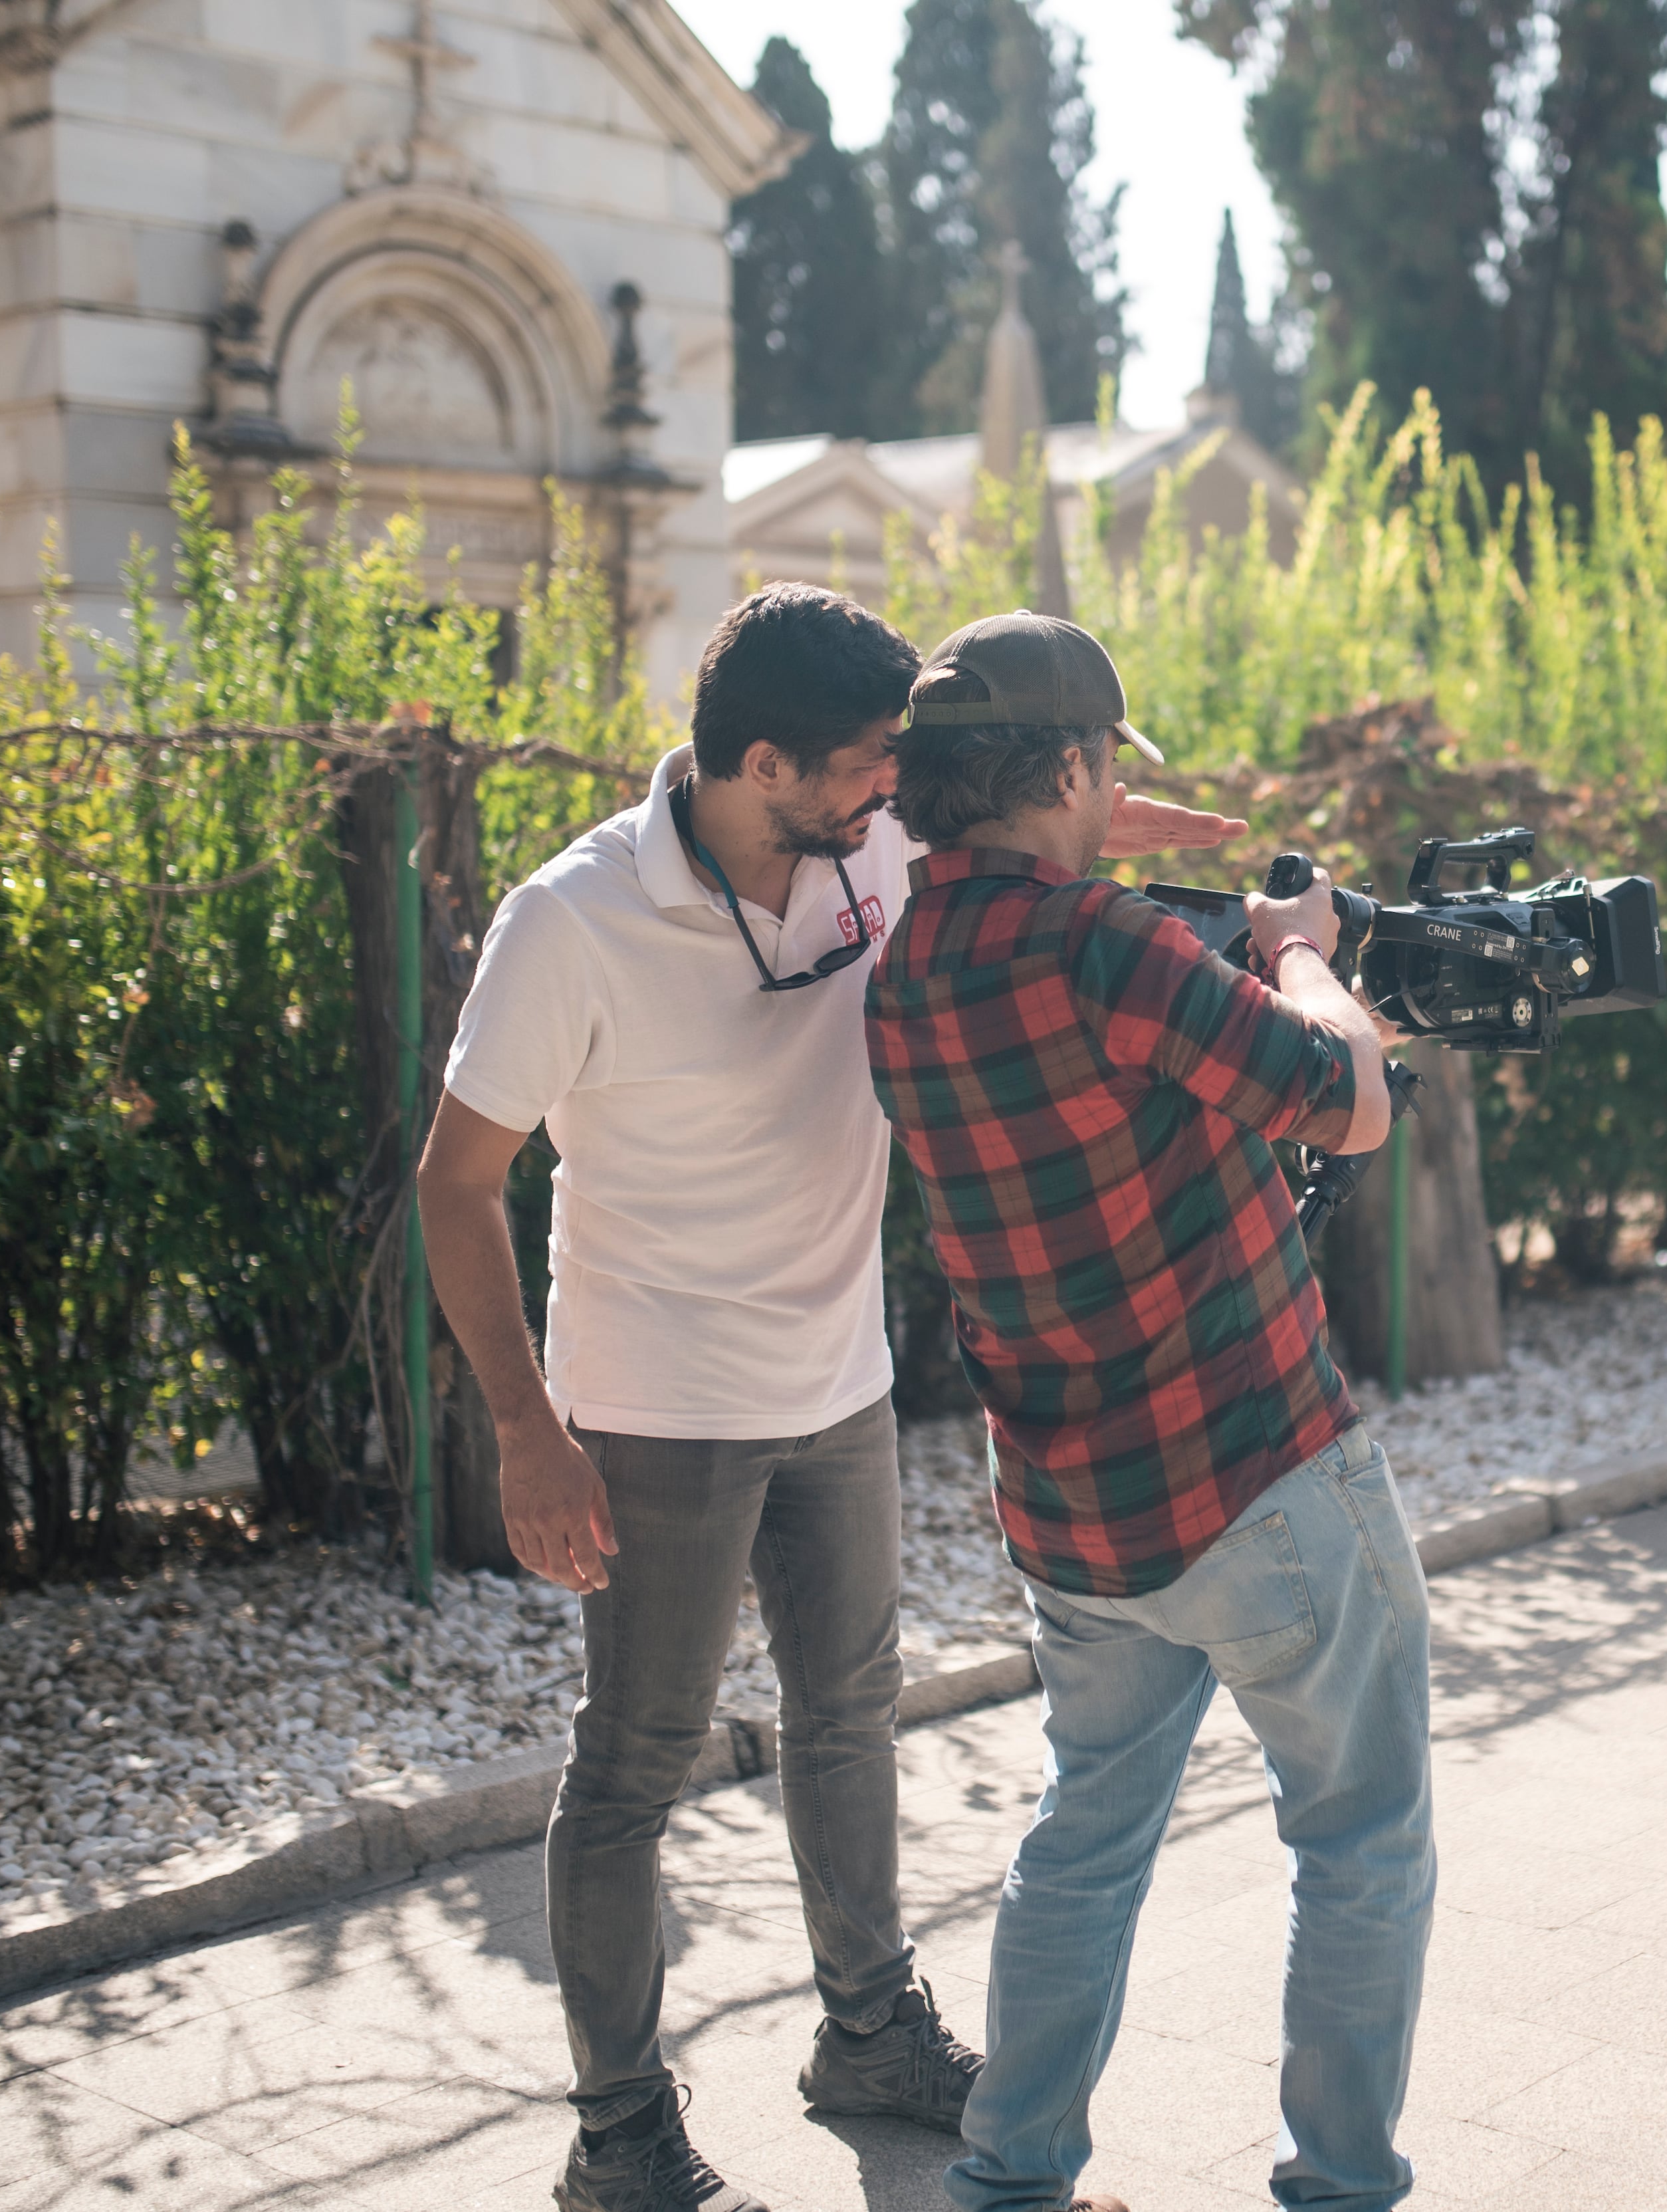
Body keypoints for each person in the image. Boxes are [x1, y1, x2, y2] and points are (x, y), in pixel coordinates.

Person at [417, 584, 1243, 2212]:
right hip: (654, 1406)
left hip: (838, 1376)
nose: (895, 795)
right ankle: (618, 2135)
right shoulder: (570, 918)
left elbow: (990, 863)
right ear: (763, 761)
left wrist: (1081, 814)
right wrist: (527, 1424)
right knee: (635, 1766)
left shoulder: (869, 846)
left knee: (851, 1718)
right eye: (870, 766)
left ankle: (867, 2032)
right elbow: (458, 1182)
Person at [863, 611, 1427, 2212]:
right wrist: (1303, 944)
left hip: (1072, 1513)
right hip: (1261, 1473)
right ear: (1060, 764)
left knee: (1084, 1839)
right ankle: (1336, 2187)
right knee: (1360, 1839)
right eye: (1103, 760)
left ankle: (1009, 2178)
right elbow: (1350, 1098)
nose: (1115, 784)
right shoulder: (1107, 946)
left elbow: (1068, 956)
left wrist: (1114, 850)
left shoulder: (910, 970)